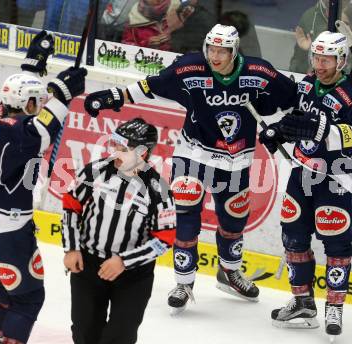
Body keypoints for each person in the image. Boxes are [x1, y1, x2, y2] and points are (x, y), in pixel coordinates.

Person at [83, 24, 297, 314]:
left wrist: (282, 128)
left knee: (233, 220)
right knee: (186, 219)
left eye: (223, 51)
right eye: (212, 49)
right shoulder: (190, 67)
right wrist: (112, 97)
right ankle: (184, 283)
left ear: (235, 51)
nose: (216, 55)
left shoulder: (258, 73)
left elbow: (293, 97)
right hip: (192, 153)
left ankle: (229, 273)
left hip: (236, 160)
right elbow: (152, 85)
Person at [0, 31, 87, 344]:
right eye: (38, 100)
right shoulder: (20, 132)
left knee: (4, 293)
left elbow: (29, 108)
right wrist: (63, 94)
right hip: (6, 227)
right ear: (29, 103)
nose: (40, 105)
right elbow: (44, 128)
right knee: (29, 298)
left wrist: (33, 66)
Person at [259, 31, 352, 338]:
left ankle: (334, 306)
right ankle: (302, 301)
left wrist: (324, 130)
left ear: (341, 60)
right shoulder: (306, 84)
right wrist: (279, 131)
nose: (320, 64)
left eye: (327, 59)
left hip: (336, 178)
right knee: (293, 236)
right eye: (317, 58)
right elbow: (296, 118)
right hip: (302, 172)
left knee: (336, 242)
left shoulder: (351, 92)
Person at [61, 118, 176, 343]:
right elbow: (71, 207)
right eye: (115, 145)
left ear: (142, 153)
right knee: (85, 333)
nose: (115, 152)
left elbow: (164, 239)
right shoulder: (94, 172)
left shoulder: (159, 189)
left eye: (123, 149)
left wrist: (124, 261)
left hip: (133, 276)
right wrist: (71, 248)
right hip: (88, 265)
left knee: (119, 337)